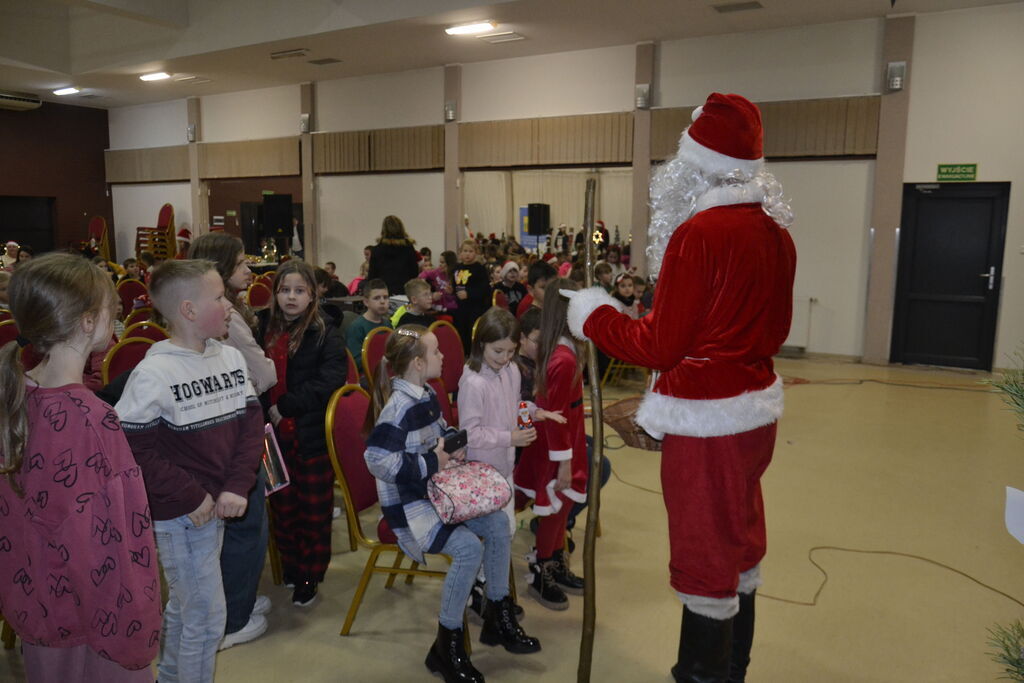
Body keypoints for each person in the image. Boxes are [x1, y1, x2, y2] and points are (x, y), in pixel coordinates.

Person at [563, 92, 797, 683]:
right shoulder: (775, 234)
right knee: (738, 544)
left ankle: (701, 674)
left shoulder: (700, 234)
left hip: (707, 420)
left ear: (699, 166)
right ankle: (732, 670)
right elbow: (775, 329)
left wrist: (594, 315)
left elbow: (659, 346)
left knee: (703, 556)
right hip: (753, 416)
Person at [0, 253, 161, 681]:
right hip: (96, 627)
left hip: (40, 612)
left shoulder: (16, 397)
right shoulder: (90, 420)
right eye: (112, 309)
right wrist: (135, 628)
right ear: (89, 322)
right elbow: (105, 544)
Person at [115, 259, 265, 683]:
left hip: (215, 505)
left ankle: (171, 677)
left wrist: (237, 485)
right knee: (206, 616)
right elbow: (133, 448)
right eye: (219, 298)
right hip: (182, 513)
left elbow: (251, 427)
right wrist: (192, 495)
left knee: (188, 605)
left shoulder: (231, 358)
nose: (230, 306)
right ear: (188, 310)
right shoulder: (155, 372)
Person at [364, 326, 541, 682]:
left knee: (497, 525)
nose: (444, 356)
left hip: (439, 492)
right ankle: (446, 645)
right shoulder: (398, 408)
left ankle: (496, 614)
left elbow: (441, 430)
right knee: (466, 550)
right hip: (412, 504)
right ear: (417, 363)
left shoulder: (425, 393)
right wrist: (433, 461)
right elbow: (377, 460)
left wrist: (452, 442)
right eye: (436, 352)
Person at [189, 232, 277, 649]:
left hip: (219, 431)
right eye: (241, 263)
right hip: (235, 430)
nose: (249, 270)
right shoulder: (230, 321)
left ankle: (233, 604)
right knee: (246, 525)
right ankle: (232, 619)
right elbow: (265, 375)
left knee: (237, 527)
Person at [458, 307, 565, 619]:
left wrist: (534, 412)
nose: (505, 357)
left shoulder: (511, 370)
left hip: (504, 466)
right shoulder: (473, 382)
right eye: (497, 351)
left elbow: (515, 406)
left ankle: (491, 589)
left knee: (505, 533)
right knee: (495, 533)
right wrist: (509, 438)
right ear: (480, 345)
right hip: (481, 470)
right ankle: (480, 590)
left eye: (510, 350)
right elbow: (470, 434)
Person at [257, 260, 347, 607]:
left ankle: (311, 572)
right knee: (283, 504)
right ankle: (292, 565)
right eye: (284, 290)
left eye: (299, 291)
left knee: (313, 509)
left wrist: (287, 406)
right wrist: (268, 410)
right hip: (268, 433)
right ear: (275, 293)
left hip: (307, 432)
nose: (291, 297)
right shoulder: (260, 327)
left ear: (312, 295)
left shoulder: (325, 330)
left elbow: (330, 380)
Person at [513, 278, 588, 611]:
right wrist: (565, 462)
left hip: (569, 438)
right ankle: (542, 568)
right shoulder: (563, 359)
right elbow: (555, 415)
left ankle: (555, 560)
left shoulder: (567, 351)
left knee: (565, 506)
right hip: (558, 445)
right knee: (556, 507)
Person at [450, 239, 490, 353]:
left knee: (472, 331)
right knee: (461, 330)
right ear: (460, 253)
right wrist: (451, 290)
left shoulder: (479, 269)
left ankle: (474, 352)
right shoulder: (457, 268)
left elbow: (485, 289)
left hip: (474, 307)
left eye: (471, 251)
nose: (467, 254)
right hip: (460, 307)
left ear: (476, 253)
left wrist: (469, 294)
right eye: (465, 251)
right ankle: (463, 352)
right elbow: (456, 284)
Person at [346, 278, 391, 375]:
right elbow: (356, 362)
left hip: (386, 371)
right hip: (367, 375)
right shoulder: (357, 327)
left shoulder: (387, 324)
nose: (382, 302)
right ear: (366, 302)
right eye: (377, 298)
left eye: (385, 297)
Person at [367, 215, 419, 297]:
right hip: (404, 292)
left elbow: (372, 277)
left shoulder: (377, 250)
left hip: (383, 294)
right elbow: (414, 272)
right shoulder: (408, 248)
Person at [420, 250, 457, 316]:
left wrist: (450, 294)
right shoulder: (437, 272)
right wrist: (422, 280)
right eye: (440, 262)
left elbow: (457, 298)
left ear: (450, 263)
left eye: (442, 262)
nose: (440, 264)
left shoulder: (456, 276)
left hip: (451, 309)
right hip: (438, 307)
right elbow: (425, 273)